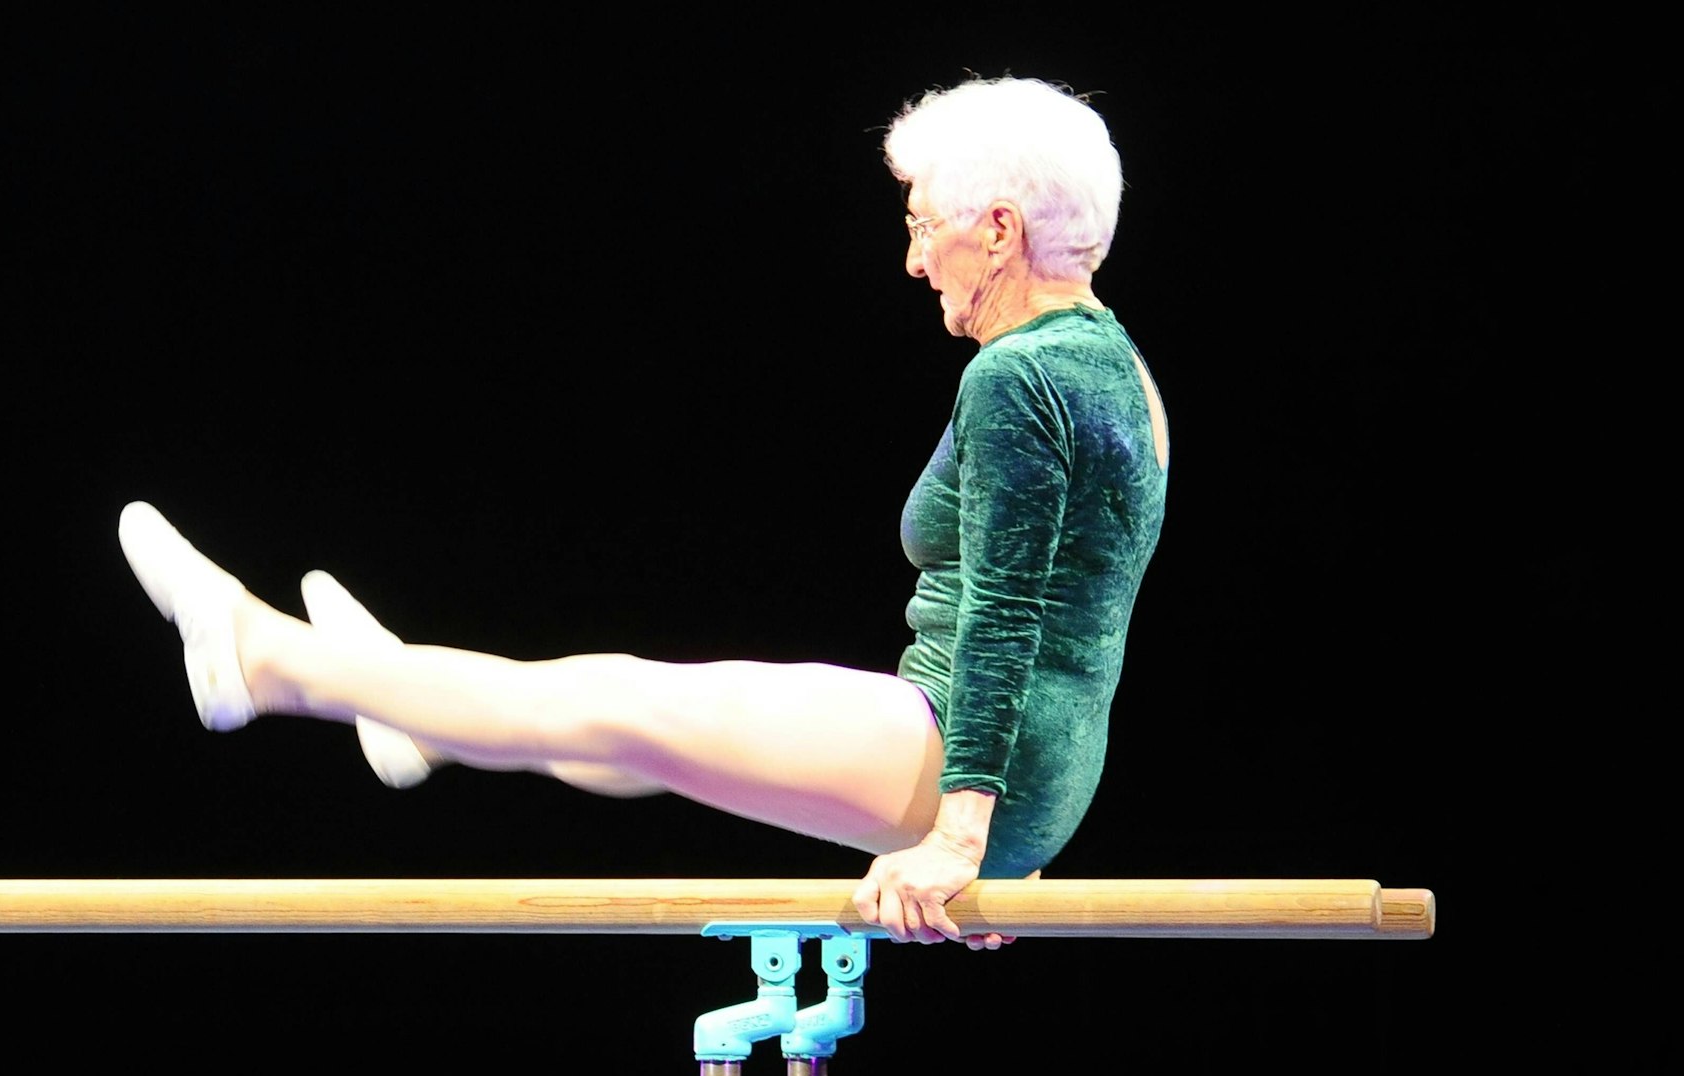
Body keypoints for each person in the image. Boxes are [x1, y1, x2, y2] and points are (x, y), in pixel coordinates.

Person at [117, 74, 1169, 949]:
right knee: (638, 741)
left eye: (920, 224)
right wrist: (1016, 839)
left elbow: (1007, 623)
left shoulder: (1018, 381)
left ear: (997, 230)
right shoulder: (1117, 368)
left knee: (622, 706)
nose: (909, 258)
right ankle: (416, 709)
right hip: (1030, 766)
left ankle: (263, 659)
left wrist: (962, 834)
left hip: (970, 749)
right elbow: (1091, 624)